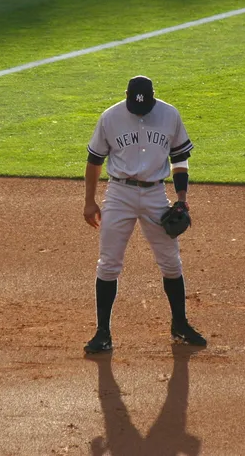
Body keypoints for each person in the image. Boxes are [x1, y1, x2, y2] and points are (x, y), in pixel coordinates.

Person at [82, 75, 206, 353]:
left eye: (144, 105)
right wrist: (89, 201)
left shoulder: (169, 114)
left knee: (171, 263)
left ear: (152, 97)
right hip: (119, 193)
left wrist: (182, 198)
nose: (139, 111)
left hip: (154, 194)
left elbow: (180, 158)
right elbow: (94, 159)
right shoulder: (110, 117)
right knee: (108, 264)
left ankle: (180, 324)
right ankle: (103, 333)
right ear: (126, 95)